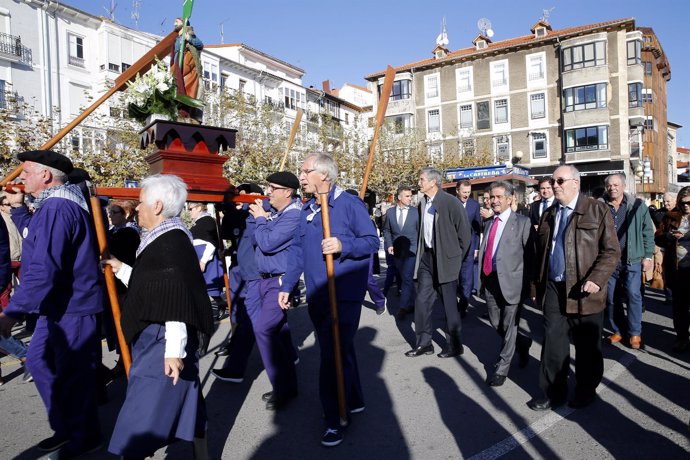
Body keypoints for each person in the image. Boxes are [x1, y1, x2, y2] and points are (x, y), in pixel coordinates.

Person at [0, 150, 104, 458]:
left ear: (46, 176)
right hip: (57, 305)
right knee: (38, 362)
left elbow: (43, 269)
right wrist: (19, 210)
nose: (21, 177)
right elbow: (36, 242)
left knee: (73, 375)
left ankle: (84, 435)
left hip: (71, 307)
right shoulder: (51, 206)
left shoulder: (58, 208)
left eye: (26, 172)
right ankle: (67, 426)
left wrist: (12, 312)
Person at [104, 174, 214, 459]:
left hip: (162, 342)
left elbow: (175, 301)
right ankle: (200, 451)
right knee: (185, 402)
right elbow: (153, 286)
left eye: (140, 203)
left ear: (156, 206)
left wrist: (173, 352)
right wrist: (121, 269)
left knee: (140, 419)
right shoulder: (163, 237)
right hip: (159, 338)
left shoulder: (171, 242)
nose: (136, 208)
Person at [278, 153, 379, 447]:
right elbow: (297, 249)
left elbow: (371, 241)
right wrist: (287, 284)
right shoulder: (307, 208)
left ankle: (334, 418)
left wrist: (342, 245)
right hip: (318, 294)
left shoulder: (349, 205)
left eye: (304, 170)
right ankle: (355, 397)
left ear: (323, 174)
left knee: (330, 355)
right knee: (339, 348)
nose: (301, 175)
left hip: (343, 295)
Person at [529, 165, 619, 411]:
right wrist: (536, 286)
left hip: (584, 289)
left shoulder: (597, 209)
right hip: (554, 288)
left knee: (587, 346)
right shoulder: (548, 214)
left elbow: (611, 251)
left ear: (575, 183)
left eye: (560, 181)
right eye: (552, 181)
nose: (555, 186)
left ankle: (585, 389)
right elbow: (541, 254)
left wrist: (597, 278)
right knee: (553, 342)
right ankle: (552, 392)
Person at [238, 171, 302, 410]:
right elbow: (256, 240)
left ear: (287, 192)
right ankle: (288, 385)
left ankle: (281, 388)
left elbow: (266, 243)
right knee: (279, 332)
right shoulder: (276, 213)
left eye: (273, 188)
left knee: (264, 329)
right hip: (265, 279)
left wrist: (261, 220)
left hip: (280, 281)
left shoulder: (293, 215)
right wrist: (260, 219)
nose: (268, 193)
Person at [406, 168, 470, 359]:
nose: (419, 183)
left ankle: (455, 345)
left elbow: (465, 236)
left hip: (446, 261)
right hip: (427, 258)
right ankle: (424, 343)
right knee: (422, 302)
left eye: (422, 179)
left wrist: (455, 259)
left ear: (433, 182)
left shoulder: (450, 202)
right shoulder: (423, 203)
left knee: (450, 306)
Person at [478, 181, 534, 387]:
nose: (494, 201)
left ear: (510, 199)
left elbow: (530, 257)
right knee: (496, 323)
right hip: (491, 280)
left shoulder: (522, 223)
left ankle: (502, 368)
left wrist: (529, 285)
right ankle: (523, 342)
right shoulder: (490, 222)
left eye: (499, 197)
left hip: (513, 282)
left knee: (509, 326)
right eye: (492, 197)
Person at [601, 173, 655, 349]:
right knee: (610, 298)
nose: (612, 188)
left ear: (623, 186)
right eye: (609, 185)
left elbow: (647, 231)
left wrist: (648, 256)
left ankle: (635, 333)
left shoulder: (637, 206)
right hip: (608, 261)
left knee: (633, 294)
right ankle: (618, 330)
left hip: (632, 259)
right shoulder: (599, 205)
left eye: (616, 185)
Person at [655, 186, 690, 352]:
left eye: (689, 203)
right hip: (677, 268)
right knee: (679, 306)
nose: (686, 206)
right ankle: (682, 337)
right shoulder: (671, 217)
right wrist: (668, 237)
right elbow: (659, 238)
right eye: (682, 203)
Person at [382, 184, 418, 319]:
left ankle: (402, 307)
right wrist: (389, 244)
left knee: (407, 277)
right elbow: (386, 230)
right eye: (407, 196)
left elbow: (419, 232)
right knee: (403, 278)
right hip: (397, 251)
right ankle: (411, 302)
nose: (410, 198)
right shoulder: (390, 212)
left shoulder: (415, 212)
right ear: (399, 197)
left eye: (411, 196)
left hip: (411, 251)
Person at [189, 202, 226, 320]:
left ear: (199, 208)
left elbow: (211, 243)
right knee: (200, 287)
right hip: (198, 255)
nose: (189, 212)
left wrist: (204, 260)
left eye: (191, 209)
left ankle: (220, 305)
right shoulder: (199, 222)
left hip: (205, 257)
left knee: (209, 286)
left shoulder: (208, 221)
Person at [170, 18, 204, 122]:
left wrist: (189, 38)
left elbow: (200, 44)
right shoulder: (176, 39)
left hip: (188, 68)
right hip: (178, 69)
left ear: (183, 23)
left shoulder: (189, 33)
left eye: (177, 21)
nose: (174, 23)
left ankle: (191, 116)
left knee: (190, 92)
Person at [456, 180, 481, 317]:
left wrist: (476, 247)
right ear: (457, 191)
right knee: (455, 278)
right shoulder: (451, 203)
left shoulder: (474, 205)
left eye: (468, 192)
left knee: (467, 277)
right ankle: (453, 303)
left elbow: (477, 229)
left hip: (470, 248)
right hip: (453, 248)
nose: (466, 195)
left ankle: (463, 306)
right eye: (464, 192)